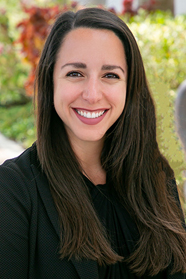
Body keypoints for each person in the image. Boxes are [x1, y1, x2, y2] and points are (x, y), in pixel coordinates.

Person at [0, 8, 186, 279]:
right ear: (51, 80)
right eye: (75, 73)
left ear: (129, 86)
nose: (92, 94)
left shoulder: (156, 176)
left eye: (110, 75)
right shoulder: (13, 192)